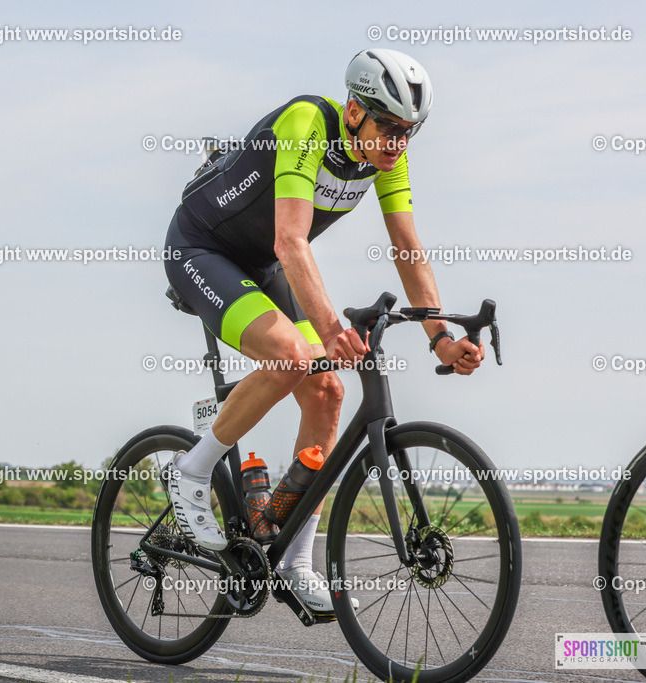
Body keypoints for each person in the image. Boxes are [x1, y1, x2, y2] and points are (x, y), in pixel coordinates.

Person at [162, 48, 485, 614]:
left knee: (328, 389)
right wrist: (332, 327)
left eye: (409, 132)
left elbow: (408, 250)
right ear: (355, 110)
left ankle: (293, 559)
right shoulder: (306, 122)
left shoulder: (388, 158)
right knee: (294, 355)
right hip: (202, 248)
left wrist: (439, 336)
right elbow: (292, 241)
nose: (397, 142)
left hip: (260, 265)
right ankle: (191, 468)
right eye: (388, 126)